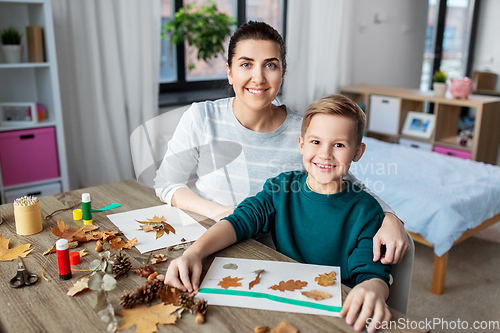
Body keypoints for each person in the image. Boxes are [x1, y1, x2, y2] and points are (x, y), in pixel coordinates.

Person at [154, 20, 409, 264]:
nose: (258, 78)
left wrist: (390, 217)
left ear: (282, 73)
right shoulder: (201, 117)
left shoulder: (307, 133)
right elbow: (166, 183)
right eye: (246, 64)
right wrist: (220, 213)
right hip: (207, 244)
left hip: (270, 258)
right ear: (230, 72)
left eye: (270, 65)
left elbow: (348, 183)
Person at [165, 94, 392, 333]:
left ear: (357, 152)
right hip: (279, 303)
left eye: (339, 145)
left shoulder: (366, 211)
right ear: (301, 144)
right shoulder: (279, 189)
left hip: (336, 315)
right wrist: (193, 253)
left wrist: (374, 288)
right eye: (316, 142)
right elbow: (238, 222)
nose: (325, 154)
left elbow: (372, 274)